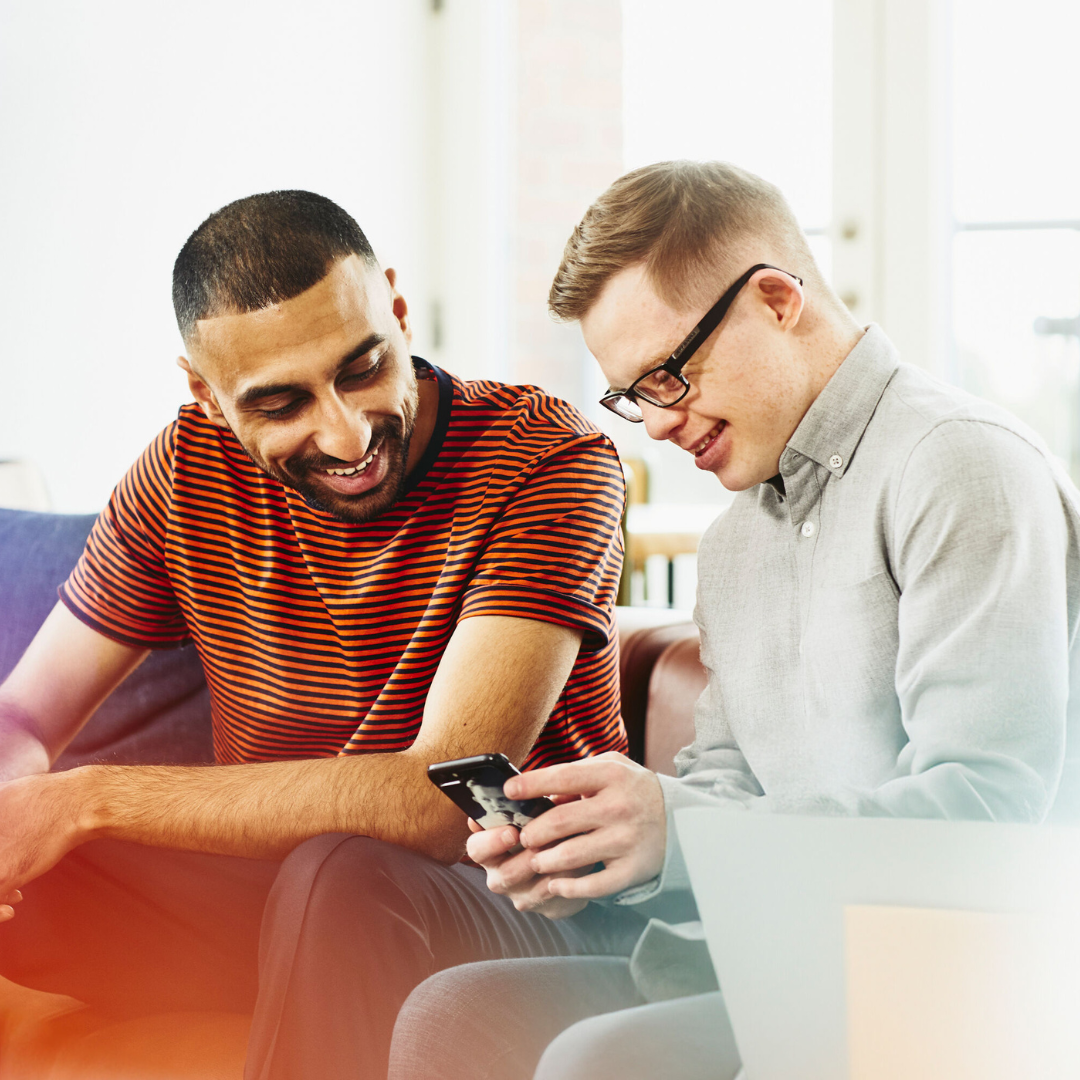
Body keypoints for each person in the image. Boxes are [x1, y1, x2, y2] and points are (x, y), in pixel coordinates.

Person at [387, 159, 1080, 1080]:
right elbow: (725, 794)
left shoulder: (959, 468)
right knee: (451, 1014)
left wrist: (682, 834)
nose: (656, 427)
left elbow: (983, 816)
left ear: (778, 299)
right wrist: (600, 858)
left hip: (933, 996)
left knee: (592, 1062)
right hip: (765, 971)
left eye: (667, 376)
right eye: (630, 397)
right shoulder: (735, 545)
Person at [0, 190, 646, 1080]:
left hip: (524, 907)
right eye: (280, 404)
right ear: (204, 390)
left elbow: (435, 802)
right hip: (278, 900)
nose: (346, 433)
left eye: (362, 367)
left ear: (396, 306)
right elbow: (25, 719)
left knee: (343, 872)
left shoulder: (546, 459)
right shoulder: (185, 468)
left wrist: (83, 799)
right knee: (47, 862)